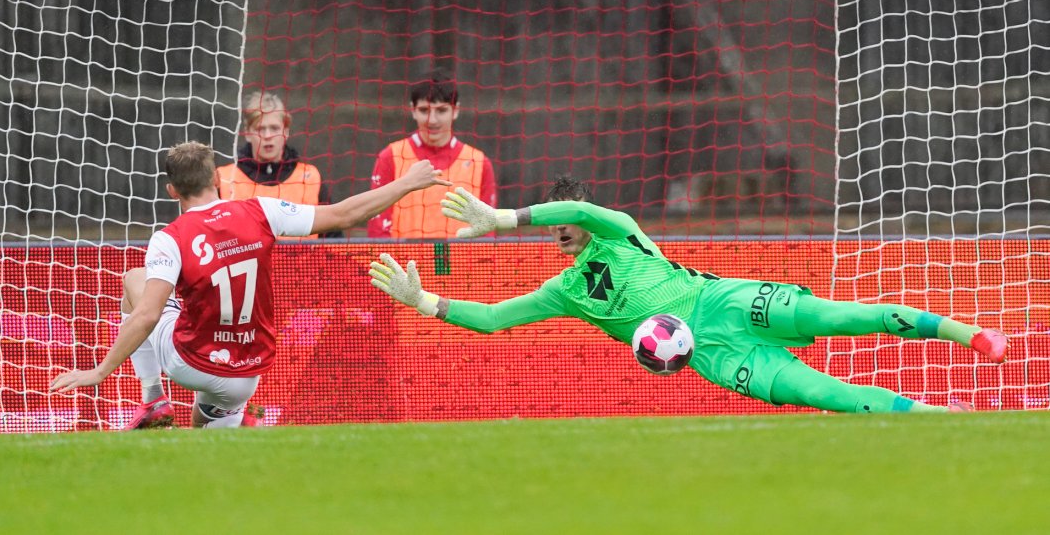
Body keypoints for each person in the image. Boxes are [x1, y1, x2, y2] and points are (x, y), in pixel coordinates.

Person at [369, 175, 1010, 414]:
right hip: (707, 353)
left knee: (848, 315)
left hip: (724, 300)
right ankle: (940, 422)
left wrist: (506, 218)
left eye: (568, 219)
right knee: (826, 396)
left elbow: (578, 204)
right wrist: (424, 302)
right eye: (555, 225)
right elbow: (493, 318)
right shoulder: (565, 289)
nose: (564, 226)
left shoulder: (620, 233)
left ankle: (965, 333)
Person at [49, 141, 450, 429]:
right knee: (217, 438)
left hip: (191, 363)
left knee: (135, 281)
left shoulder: (169, 237)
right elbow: (345, 213)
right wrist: (408, 183)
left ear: (172, 191)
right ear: (218, 182)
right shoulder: (261, 211)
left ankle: (153, 398)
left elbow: (148, 314)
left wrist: (100, 372)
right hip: (249, 371)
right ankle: (234, 418)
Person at [367, 68, 497, 239]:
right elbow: (377, 231)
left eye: (441, 110)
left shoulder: (478, 162)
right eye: (424, 110)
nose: (432, 120)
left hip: (461, 265)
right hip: (404, 264)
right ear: (413, 110)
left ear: (455, 111)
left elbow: (487, 231)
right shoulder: (390, 157)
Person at [217, 91, 341, 238]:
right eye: (260, 129)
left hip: (303, 261)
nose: (268, 135)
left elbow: (334, 239)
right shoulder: (224, 178)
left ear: (286, 131)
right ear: (248, 133)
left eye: (274, 128)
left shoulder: (309, 178)